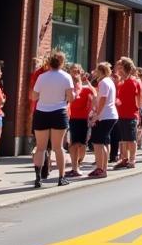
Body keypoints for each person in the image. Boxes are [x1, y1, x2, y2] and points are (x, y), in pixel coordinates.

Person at [31, 51, 74, 187]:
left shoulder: (42, 77)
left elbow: (34, 97)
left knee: (40, 148)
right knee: (58, 147)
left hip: (42, 112)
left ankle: (38, 178)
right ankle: (61, 178)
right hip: (59, 112)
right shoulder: (66, 77)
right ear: (62, 63)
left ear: (49, 63)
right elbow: (71, 97)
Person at [87, 62, 118, 178]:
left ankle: (101, 168)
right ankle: (103, 168)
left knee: (98, 143)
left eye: (96, 70)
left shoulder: (103, 82)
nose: (94, 72)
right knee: (103, 142)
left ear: (100, 71)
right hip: (110, 115)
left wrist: (96, 115)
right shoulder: (109, 81)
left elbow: (103, 100)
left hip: (105, 116)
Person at [113, 57, 142, 169]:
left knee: (131, 139)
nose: (117, 69)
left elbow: (139, 98)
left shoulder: (134, 81)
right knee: (123, 139)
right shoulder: (121, 82)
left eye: (119, 67)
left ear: (125, 68)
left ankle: (132, 160)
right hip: (121, 113)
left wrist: (138, 113)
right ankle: (124, 159)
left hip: (131, 114)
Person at [66, 65, 95, 175]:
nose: (75, 73)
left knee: (82, 145)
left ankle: (78, 163)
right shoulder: (68, 86)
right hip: (71, 118)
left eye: (77, 71)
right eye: (73, 71)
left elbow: (95, 98)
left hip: (83, 119)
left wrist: (92, 113)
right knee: (73, 144)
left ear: (81, 72)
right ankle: (75, 168)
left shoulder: (86, 88)